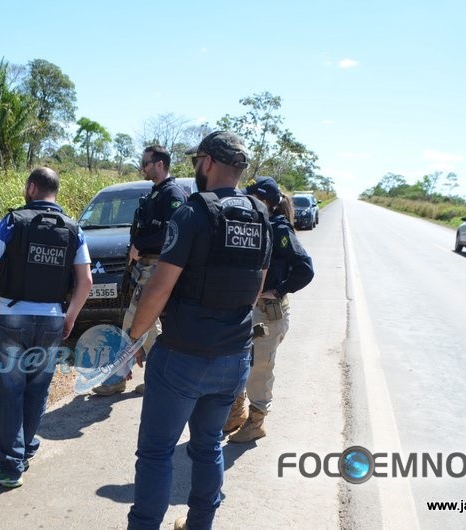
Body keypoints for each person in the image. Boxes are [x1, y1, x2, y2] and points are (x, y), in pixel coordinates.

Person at [126, 131, 272, 530]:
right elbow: (256, 287)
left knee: (156, 453)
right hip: (234, 356)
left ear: (207, 162)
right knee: (208, 446)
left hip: (182, 357)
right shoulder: (261, 216)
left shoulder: (192, 213)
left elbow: (160, 286)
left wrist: (135, 334)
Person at [0, 167, 92, 488]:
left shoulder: (13, 221)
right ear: (56, 191)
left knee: (12, 389)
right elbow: (86, 280)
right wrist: (69, 317)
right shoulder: (73, 229)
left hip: (12, 317)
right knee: (38, 387)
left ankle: (10, 466)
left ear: (31, 188)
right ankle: (24, 449)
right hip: (53, 319)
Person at [93, 145, 187, 396]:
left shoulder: (172, 194)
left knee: (135, 321)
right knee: (146, 326)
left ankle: (117, 378)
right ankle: (157, 378)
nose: (142, 167)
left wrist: (140, 245)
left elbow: (172, 234)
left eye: (145, 163)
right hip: (145, 267)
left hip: (157, 267)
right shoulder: (157, 193)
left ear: (159, 164)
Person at [226, 177, 314, 443]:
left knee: (260, 369)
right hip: (251, 310)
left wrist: (277, 290)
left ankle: (256, 422)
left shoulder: (278, 229)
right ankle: (237, 414)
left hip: (269, 312)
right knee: (241, 364)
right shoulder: (257, 226)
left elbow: (305, 269)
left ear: (266, 201)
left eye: (253, 198)